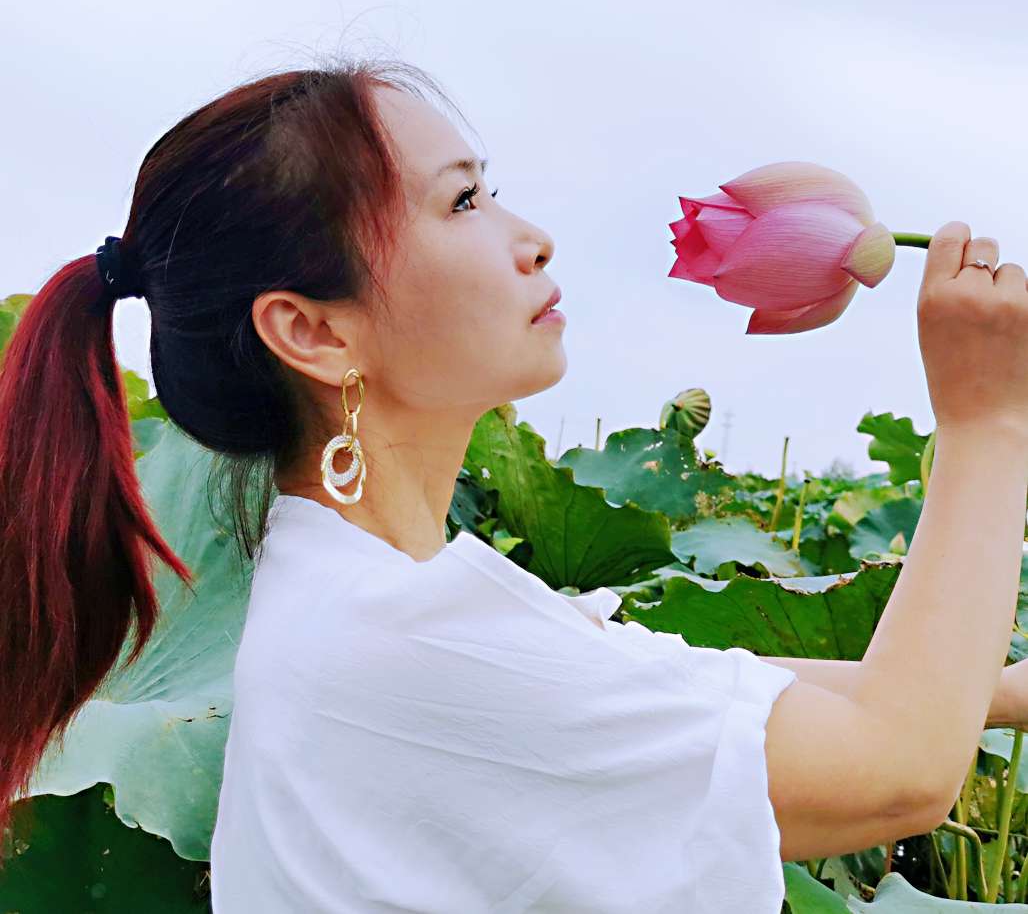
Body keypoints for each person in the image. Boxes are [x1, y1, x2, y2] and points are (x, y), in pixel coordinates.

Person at [0, 58, 1026, 913]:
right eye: (461, 202)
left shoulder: (363, 594)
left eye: (488, 190)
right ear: (313, 331)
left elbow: (686, 689)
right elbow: (898, 768)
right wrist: (987, 421)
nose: (531, 237)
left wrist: (1005, 695)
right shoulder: (405, 640)